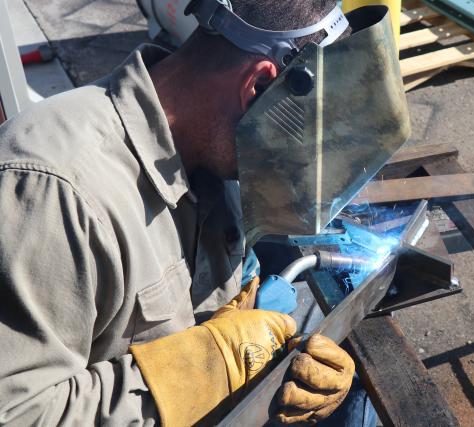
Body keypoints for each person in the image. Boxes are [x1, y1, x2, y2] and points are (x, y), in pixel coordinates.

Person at [0, 0, 408, 425]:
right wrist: (208, 365)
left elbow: (223, 309)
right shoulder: (55, 190)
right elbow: (16, 413)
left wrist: (277, 351)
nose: (297, 160)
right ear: (257, 86)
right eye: (298, 133)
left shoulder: (213, 150)